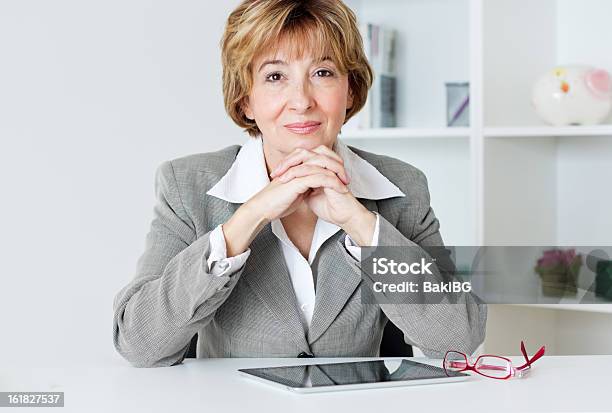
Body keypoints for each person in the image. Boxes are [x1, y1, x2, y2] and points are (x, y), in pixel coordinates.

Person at [112, 0, 487, 368]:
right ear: (246, 101)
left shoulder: (402, 186)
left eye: (322, 73)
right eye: (275, 77)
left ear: (351, 90)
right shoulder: (187, 185)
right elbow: (139, 343)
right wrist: (249, 217)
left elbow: (459, 338)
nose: (302, 101)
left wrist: (361, 224)